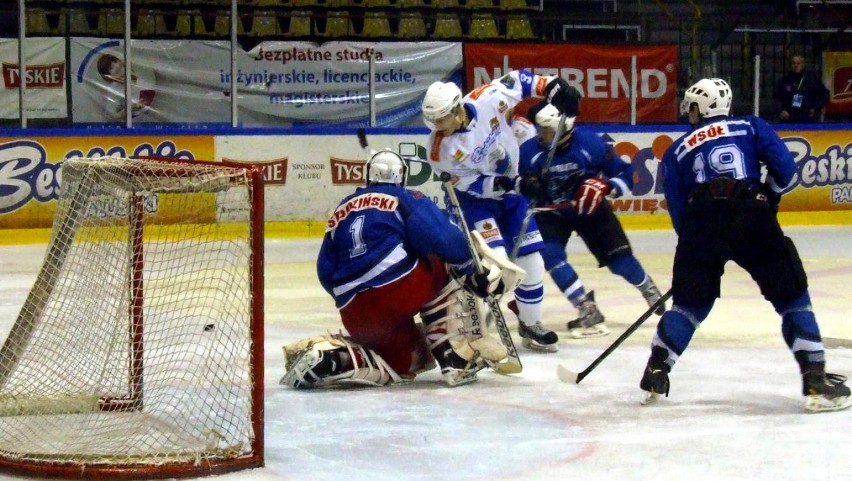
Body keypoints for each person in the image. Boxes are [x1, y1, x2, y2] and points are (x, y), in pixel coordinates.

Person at [641, 78, 850, 413]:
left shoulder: (676, 150)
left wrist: (697, 252)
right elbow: (786, 171)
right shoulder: (751, 126)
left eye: (692, 106)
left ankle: (657, 370)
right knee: (791, 296)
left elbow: (679, 214)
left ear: (704, 107)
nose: (689, 112)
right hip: (749, 212)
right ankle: (814, 378)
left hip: (701, 221)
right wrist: (768, 195)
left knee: (689, 306)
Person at [280, 150, 523, 389]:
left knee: (399, 361)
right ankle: (455, 354)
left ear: (368, 175)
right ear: (401, 176)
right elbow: (444, 238)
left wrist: (359, 302)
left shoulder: (341, 210)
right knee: (446, 262)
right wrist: (471, 270)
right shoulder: (405, 198)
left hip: (353, 309)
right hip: (399, 288)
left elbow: (325, 270)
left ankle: (334, 359)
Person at [420, 71, 579, 352]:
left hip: (511, 196)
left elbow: (520, 80)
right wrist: (517, 183)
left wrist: (552, 87)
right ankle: (475, 329)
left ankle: (531, 324)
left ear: (457, 109)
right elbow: (475, 184)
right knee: (496, 268)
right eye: (432, 121)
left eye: (441, 119)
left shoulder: (488, 99)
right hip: (475, 202)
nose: (436, 126)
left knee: (532, 264)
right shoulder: (439, 150)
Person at [517, 101, 666, 338]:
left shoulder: (591, 144)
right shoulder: (528, 152)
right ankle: (585, 307)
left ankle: (646, 286)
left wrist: (605, 186)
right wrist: (529, 187)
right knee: (550, 254)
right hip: (551, 211)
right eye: (541, 129)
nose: (542, 135)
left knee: (620, 262)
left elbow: (626, 173)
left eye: (548, 130)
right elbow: (515, 187)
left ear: (565, 129)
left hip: (590, 207)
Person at [773, 53, 830, 123]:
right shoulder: (784, 81)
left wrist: (815, 107)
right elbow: (776, 98)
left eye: (798, 63)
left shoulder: (811, 79)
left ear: (803, 65)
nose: (796, 65)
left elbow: (825, 94)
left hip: (807, 118)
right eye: (793, 63)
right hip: (789, 118)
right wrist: (781, 110)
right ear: (790, 66)